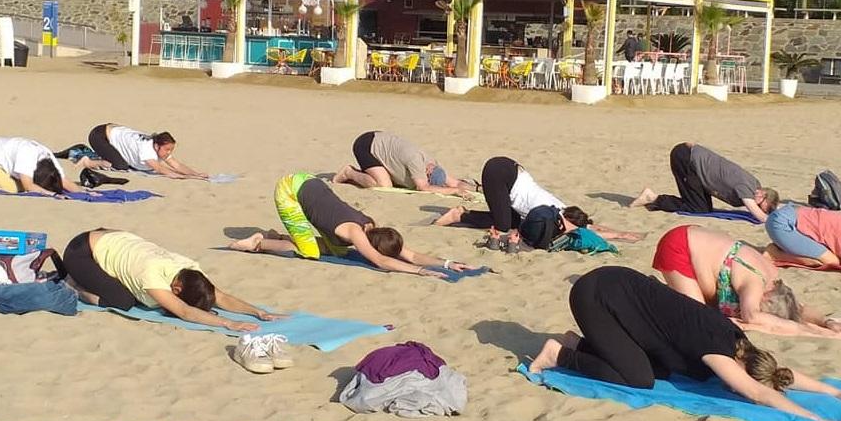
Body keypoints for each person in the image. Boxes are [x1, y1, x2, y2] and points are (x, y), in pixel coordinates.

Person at [529, 266, 841, 421]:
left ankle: (578, 343)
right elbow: (758, 393)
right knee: (638, 379)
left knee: (661, 370)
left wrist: (836, 393)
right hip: (596, 294)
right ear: (740, 367)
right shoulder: (718, 352)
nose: (733, 387)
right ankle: (560, 354)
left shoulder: (741, 344)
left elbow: (778, 375)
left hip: (620, 287)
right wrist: (819, 420)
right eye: (737, 380)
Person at [230, 173, 473, 279]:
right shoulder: (356, 232)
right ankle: (259, 242)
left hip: (311, 182)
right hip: (290, 190)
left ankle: (279, 235)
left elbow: (410, 254)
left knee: (336, 250)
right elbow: (381, 261)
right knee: (309, 251)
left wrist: (447, 263)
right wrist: (419, 272)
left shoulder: (373, 227)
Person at [64, 228, 276, 332]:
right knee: (123, 301)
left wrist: (257, 312)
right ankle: (73, 284)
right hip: (81, 252)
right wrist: (229, 323)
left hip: (112, 237)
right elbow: (185, 311)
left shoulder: (190, 268)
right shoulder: (152, 275)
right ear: (177, 289)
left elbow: (221, 296)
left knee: (133, 293)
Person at [652, 224, 830, 334]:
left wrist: (826, 322)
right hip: (681, 246)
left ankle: (662, 290)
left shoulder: (774, 279)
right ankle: (654, 292)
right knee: (698, 316)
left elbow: (799, 308)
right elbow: (751, 316)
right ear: (765, 298)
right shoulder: (754, 284)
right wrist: (806, 330)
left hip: (697, 238)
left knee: (707, 309)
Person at [434, 156, 632, 252]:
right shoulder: (551, 214)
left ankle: (463, 214)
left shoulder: (561, 208)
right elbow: (585, 230)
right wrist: (617, 235)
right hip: (499, 173)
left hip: (509, 169)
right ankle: (460, 215)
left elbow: (589, 227)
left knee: (512, 220)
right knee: (503, 225)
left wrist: (620, 234)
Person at [630, 142, 778, 223]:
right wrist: (772, 222)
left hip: (695, 165)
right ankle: (653, 198)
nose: (758, 206)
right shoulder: (747, 188)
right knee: (697, 209)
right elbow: (758, 214)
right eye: (760, 205)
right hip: (685, 158)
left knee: (703, 208)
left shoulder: (755, 184)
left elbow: (767, 209)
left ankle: (654, 199)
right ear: (762, 194)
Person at [334, 131, 472, 196]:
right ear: (427, 173)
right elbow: (423, 187)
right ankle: (349, 172)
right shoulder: (416, 162)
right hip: (367, 145)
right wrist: (454, 191)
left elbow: (455, 182)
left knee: (392, 180)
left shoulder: (433, 164)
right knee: (383, 185)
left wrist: (477, 188)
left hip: (385, 144)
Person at [87, 123, 207, 179]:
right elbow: (162, 169)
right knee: (120, 166)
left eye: (170, 150)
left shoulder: (159, 146)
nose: (168, 153)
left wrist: (195, 173)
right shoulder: (147, 150)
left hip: (114, 130)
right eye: (167, 149)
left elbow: (177, 165)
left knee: (126, 162)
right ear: (157, 146)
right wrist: (190, 177)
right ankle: (88, 162)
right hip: (99, 136)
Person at [0, 137, 86, 195]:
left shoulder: (49, 159)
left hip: (3, 162)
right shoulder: (27, 157)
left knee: (20, 185)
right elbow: (28, 186)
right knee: (12, 188)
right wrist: (52, 194)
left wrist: (82, 192)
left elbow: (64, 181)